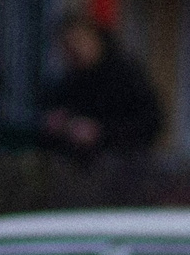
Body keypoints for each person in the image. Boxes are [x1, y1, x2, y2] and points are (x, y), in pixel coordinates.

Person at [36, 14, 165, 167]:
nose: (73, 52)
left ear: (94, 38)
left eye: (77, 43)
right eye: (66, 48)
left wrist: (101, 132)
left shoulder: (125, 75)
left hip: (123, 170)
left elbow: (151, 123)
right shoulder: (69, 81)